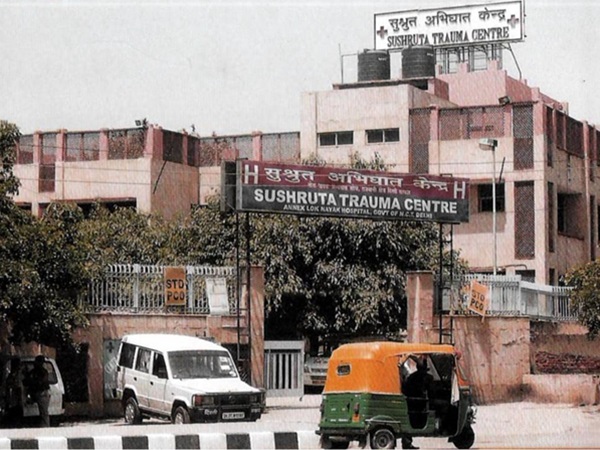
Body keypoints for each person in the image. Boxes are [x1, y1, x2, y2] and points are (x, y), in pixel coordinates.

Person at [401, 357, 434, 450]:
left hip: (411, 403)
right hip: (422, 403)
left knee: (408, 420)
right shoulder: (428, 378)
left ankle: (407, 442)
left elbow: (406, 389)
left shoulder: (411, 377)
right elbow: (432, 392)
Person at [25, 355, 50, 427]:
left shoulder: (42, 372)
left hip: (42, 393)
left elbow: (41, 382)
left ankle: (45, 427)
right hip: (36, 393)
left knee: (44, 412)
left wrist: (33, 382)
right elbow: (27, 381)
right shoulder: (34, 371)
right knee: (43, 413)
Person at [3, 357, 25, 428]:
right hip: (15, 401)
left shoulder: (13, 375)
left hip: (13, 401)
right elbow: (17, 388)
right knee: (16, 418)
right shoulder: (15, 376)